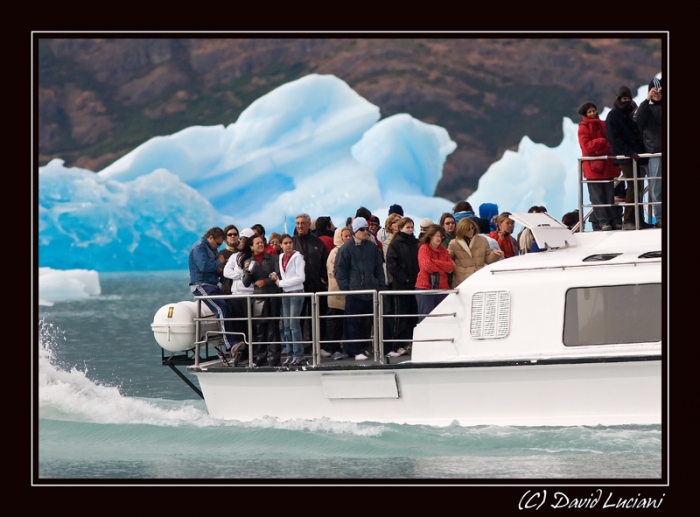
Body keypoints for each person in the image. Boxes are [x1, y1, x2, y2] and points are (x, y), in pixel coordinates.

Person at [334, 217, 385, 360]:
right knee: (352, 322)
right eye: (362, 229)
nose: (365, 232)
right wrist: (347, 289)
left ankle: (362, 348)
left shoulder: (372, 247)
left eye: (366, 229)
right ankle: (354, 350)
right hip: (354, 292)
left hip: (370, 290)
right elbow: (339, 271)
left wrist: (379, 284)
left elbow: (378, 268)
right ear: (355, 231)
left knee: (367, 322)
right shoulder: (345, 249)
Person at [605, 86, 652, 230]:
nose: (625, 101)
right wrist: (629, 152)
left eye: (628, 99)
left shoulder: (630, 115)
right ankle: (629, 220)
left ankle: (639, 219)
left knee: (638, 187)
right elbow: (615, 139)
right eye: (623, 98)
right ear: (618, 99)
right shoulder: (613, 116)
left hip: (636, 157)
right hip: (626, 158)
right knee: (633, 186)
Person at [577, 101, 622, 232]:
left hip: (605, 167)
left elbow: (610, 143)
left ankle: (613, 221)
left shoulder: (603, 125)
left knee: (609, 196)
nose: (592, 113)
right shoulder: (583, 128)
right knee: (598, 198)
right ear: (585, 114)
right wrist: (602, 142)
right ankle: (603, 222)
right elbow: (587, 147)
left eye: (594, 110)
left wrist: (599, 148)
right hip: (593, 169)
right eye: (589, 111)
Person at [188, 227, 235, 352]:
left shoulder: (210, 248)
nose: (218, 247)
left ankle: (235, 339)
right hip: (201, 285)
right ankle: (229, 344)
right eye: (218, 243)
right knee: (221, 308)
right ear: (210, 238)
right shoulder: (199, 247)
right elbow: (203, 266)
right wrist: (218, 262)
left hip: (212, 285)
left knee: (230, 305)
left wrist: (219, 270)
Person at [240, 235, 282, 367]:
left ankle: (275, 356)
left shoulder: (273, 258)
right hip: (258, 298)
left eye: (261, 242)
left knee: (274, 327)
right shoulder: (248, 261)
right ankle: (261, 356)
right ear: (251, 246)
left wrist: (265, 281)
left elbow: (279, 275)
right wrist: (247, 272)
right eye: (257, 243)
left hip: (273, 296)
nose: (260, 244)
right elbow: (246, 283)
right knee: (260, 328)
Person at [293, 213, 330, 353]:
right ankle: (299, 347)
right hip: (297, 287)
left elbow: (325, 263)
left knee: (318, 316)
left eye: (302, 223)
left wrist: (323, 279)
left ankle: (319, 346)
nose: (300, 226)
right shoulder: (291, 242)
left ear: (309, 225)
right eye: (297, 223)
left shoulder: (317, 242)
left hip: (316, 286)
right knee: (299, 317)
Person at [385, 217, 419, 356]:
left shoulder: (415, 243)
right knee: (400, 316)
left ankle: (410, 342)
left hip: (414, 284)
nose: (410, 230)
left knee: (413, 315)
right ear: (400, 228)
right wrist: (404, 278)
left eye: (411, 227)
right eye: (407, 227)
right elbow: (392, 264)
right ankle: (397, 344)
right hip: (401, 285)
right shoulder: (395, 244)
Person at [272, 234, 307, 366]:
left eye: (290, 242)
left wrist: (282, 283)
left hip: (296, 292)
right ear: (281, 245)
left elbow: (301, 277)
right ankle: (291, 353)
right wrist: (276, 277)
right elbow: (285, 274)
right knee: (286, 325)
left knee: (293, 324)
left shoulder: (298, 257)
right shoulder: (281, 257)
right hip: (286, 294)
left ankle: (299, 354)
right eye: (285, 243)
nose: (288, 245)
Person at [635, 77, 663, 228]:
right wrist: (647, 100)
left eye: (660, 90)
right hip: (654, 152)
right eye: (654, 90)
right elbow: (639, 119)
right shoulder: (646, 109)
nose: (657, 93)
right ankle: (660, 218)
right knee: (656, 187)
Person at [448, 218, 503, 287]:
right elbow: (448, 258)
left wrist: (495, 255)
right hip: (461, 280)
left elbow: (487, 259)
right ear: (462, 230)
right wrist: (456, 269)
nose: (471, 231)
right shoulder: (454, 243)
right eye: (468, 229)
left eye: (472, 228)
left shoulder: (482, 240)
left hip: (478, 277)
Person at [415, 224, 453, 323]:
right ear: (430, 235)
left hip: (442, 288)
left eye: (441, 236)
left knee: (442, 319)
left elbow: (450, 267)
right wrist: (441, 267)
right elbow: (426, 266)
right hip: (425, 287)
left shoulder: (444, 250)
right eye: (437, 236)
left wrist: (435, 262)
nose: (439, 238)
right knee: (426, 319)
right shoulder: (424, 248)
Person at [326, 226, 352, 360]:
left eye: (349, 235)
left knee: (345, 323)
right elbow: (336, 273)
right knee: (335, 323)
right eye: (345, 236)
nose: (348, 238)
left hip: (347, 292)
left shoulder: (349, 250)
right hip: (337, 293)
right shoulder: (335, 252)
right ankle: (334, 349)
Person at [218, 224, 240, 294]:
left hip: (243, 289)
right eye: (230, 235)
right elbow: (219, 272)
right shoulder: (221, 253)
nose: (233, 236)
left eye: (235, 234)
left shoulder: (244, 252)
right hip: (228, 289)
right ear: (225, 238)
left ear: (238, 236)